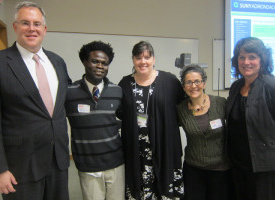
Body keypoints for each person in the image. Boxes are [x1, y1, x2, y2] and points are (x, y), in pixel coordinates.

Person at [0, 2, 71, 200]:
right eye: (25, 23)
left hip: (58, 161)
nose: (31, 28)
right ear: (15, 27)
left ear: (44, 29)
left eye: (37, 24)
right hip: (20, 167)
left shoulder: (57, 62)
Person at [117, 41, 184, 199]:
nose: (143, 62)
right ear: (133, 59)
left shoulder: (170, 81)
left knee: (165, 189)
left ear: (154, 59)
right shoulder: (125, 84)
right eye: (138, 57)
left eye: (147, 57)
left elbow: (182, 109)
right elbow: (121, 112)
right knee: (140, 188)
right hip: (137, 149)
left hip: (165, 146)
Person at [226, 37, 275, 200]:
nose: (246, 62)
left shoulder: (273, 87)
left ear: (262, 60)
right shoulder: (236, 87)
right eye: (242, 57)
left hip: (266, 168)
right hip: (239, 166)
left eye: (252, 57)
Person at [65, 41, 124, 200]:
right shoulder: (69, 93)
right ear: (84, 61)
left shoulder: (117, 91)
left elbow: (125, 119)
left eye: (104, 63)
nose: (100, 66)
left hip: (116, 163)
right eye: (95, 61)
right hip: (88, 165)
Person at [177, 64, 232, 200]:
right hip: (193, 170)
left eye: (197, 81)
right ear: (184, 86)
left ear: (204, 83)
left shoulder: (220, 103)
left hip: (221, 170)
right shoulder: (180, 109)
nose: (193, 85)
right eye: (188, 82)